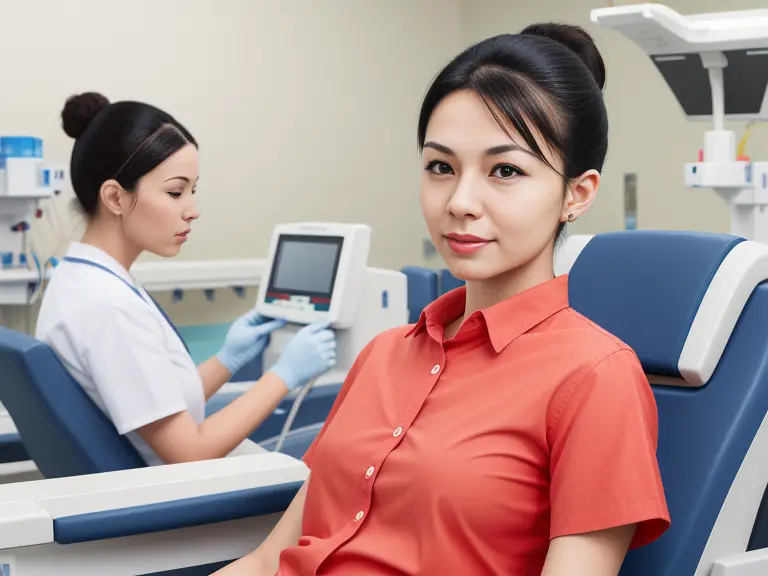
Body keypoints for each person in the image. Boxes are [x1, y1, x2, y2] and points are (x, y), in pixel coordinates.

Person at [216, 22, 670, 576]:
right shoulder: (383, 355)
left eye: (505, 170)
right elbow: (267, 562)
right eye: (440, 167)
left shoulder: (595, 378)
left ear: (576, 194)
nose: (459, 201)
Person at [36, 92, 337, 466]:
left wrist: (228, 359)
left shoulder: (85, 281)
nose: (192, 211)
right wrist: (284, 375)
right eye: (176, 192)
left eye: (192, 191)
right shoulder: (107, 307)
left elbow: (156, 401)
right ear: (115, 198)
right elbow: (189, 452)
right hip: (177, 513)